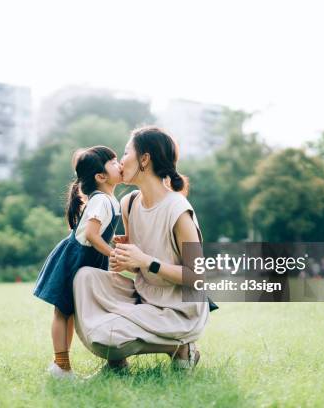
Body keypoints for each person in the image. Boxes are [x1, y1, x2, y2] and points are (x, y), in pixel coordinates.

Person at [73, 126, 209, 372]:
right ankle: (118, 363)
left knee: (107, 334)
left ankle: (181, 347)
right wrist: (129, 261)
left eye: (126, 153)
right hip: (144, 296)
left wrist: (147, 261)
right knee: (85, 278)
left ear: (144, 159)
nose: (121, 161)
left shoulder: (178, 210)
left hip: (177, 309)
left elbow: (197, 277)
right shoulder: (129, 202)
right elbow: (138, 266)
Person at [33, 146, 123, 379]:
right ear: (100, 177)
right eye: (113, 163)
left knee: (72, 311)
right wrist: (112, 253)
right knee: (63, 311)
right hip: (75, 258)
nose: (120, 164)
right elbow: (92, 236)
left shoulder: (110, 200)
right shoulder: (101, 200)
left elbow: (99, 232)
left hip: (88, 258)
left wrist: (114, 240)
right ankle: (61, 366)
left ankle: (71, 366)